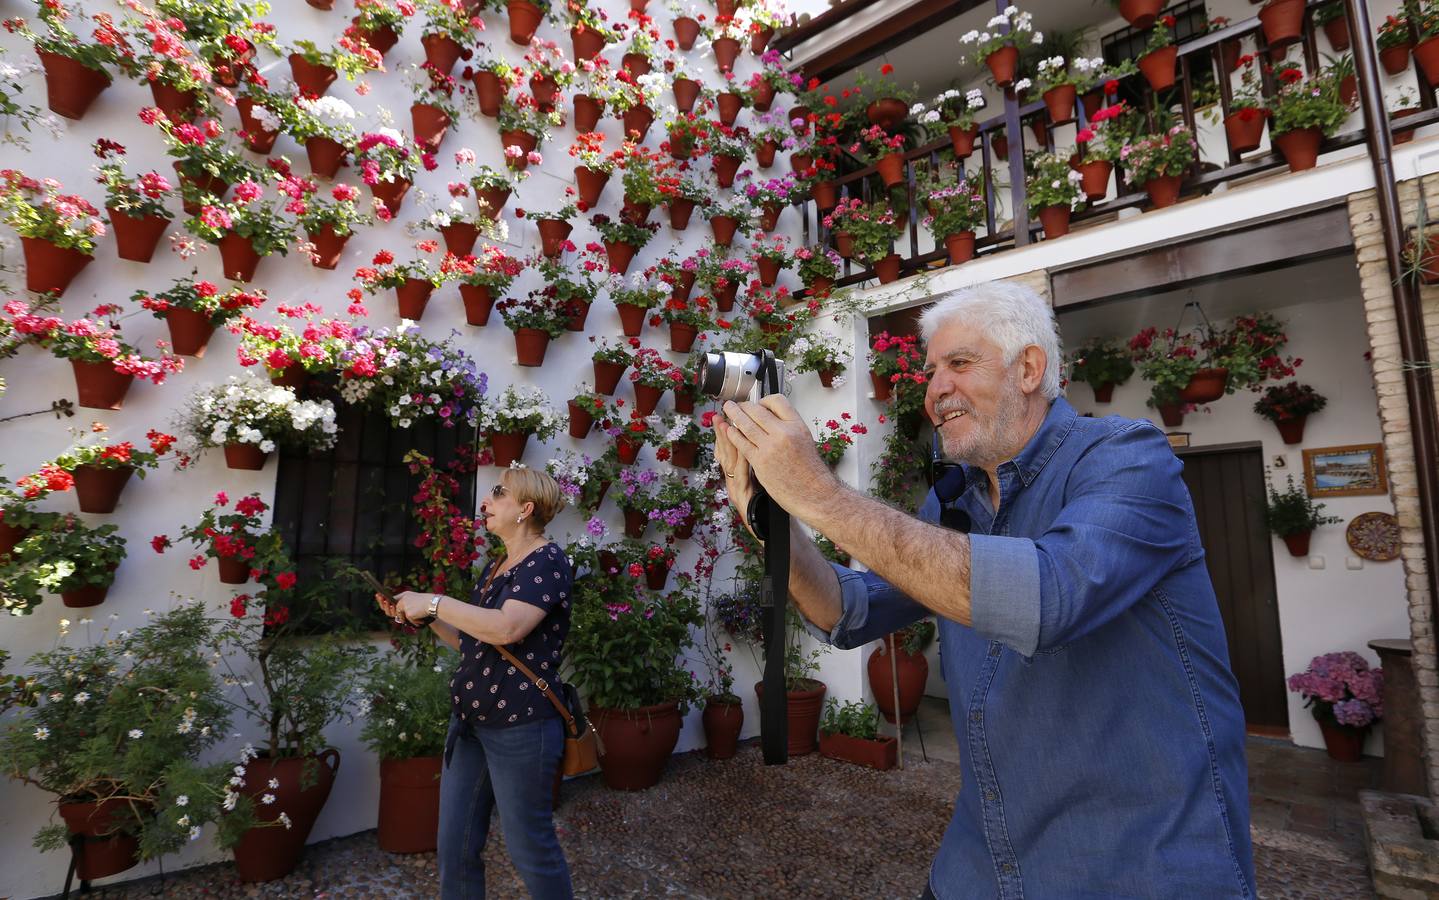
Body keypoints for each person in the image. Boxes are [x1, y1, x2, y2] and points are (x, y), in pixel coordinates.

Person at [714, 282, 1256, 899]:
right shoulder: (957, 501)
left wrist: (817, 492)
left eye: (960, 364)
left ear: (1029, 368)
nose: (935, 388)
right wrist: (773, 519)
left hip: (1130, 870)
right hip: (979, 869)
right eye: (930, 370)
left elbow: (1047, 597)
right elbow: (847, 609)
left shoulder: (1127, 459)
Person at [380, 466, 574, 900]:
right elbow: (475, 641)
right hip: (470, 724)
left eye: (498, 493)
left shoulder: (549, 560)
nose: (485, 502)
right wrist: (424, 615)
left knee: (530, 851)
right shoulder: (495, 566)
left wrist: (435, 600)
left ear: (526, 509)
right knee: (455, 846)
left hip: (521, 729)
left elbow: (507, 629)